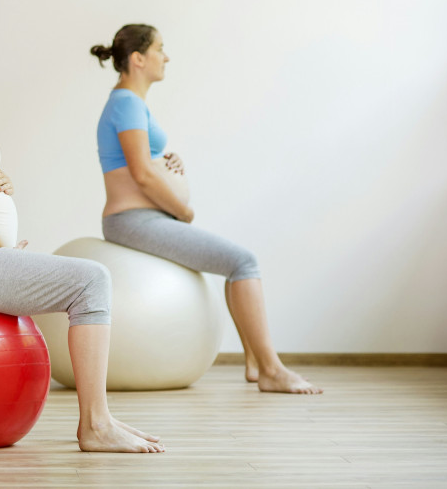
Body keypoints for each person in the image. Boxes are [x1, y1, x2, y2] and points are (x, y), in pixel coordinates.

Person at [0, 2, 165, 453]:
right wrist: (1, 251)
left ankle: (100, 421)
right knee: (90, 280)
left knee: (88, 280)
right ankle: (96, 425)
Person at [91, 24, 322, 395]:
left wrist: (167, 163)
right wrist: (183, 210)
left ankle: (255, 364)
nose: (166, 57)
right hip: (132, 219)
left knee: (237, 263)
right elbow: (142, 175)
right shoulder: (127, 103)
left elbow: (146, 163)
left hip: (142, 217)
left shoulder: (127, 102)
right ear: (138, 59)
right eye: (160, 49)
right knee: (243, 262)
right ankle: (271, 369)